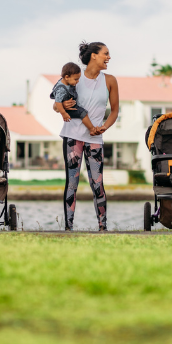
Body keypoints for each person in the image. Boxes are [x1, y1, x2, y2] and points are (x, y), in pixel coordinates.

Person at [56, 42, 120, 231]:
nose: (109, 57)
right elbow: (56, 104)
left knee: (97, 184)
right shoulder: (75, 76)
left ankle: (103, 228)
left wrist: (104, 127)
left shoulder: (110, 80)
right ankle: (68, 228)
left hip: (95, 139)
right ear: (94, 55)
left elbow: (114, 111)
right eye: (105, 53)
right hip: (72, 137)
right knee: (72, 184)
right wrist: (62, 106)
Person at [50, 62, 100, 135]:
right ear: (67, 77)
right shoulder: (61, 89)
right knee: (83, 113)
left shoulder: (67, 82)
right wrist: (64, 113)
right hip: (69, 109)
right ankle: (92, 129)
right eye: (76, 79)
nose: (78, 81)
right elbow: (58, 102)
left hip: (70, 105)